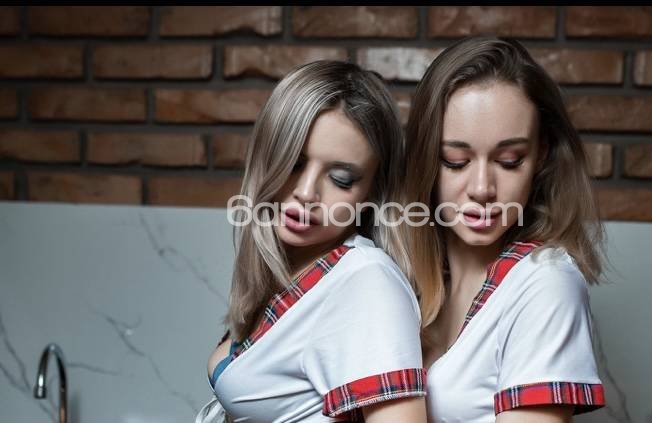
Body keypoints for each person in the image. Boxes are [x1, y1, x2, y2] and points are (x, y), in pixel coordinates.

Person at [385, 37, 606, 423]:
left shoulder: (546, 283)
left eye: (509, 160)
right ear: (424, 160)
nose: (482, 188)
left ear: (540, 155)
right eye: (456, 161)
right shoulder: (403, 280)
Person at [197, 61, 428, 423]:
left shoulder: (367, 281)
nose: (306, 193)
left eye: (341, 178)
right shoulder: (296, 269)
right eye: (294, 162)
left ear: (372, 192)